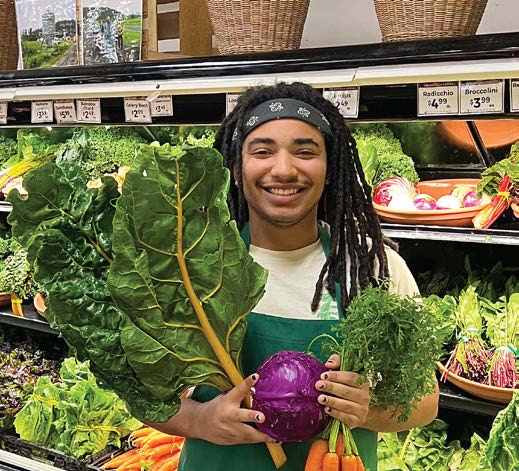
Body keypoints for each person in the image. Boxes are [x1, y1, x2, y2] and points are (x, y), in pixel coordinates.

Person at [151, 82, 439, 470]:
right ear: (236, 169)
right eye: (263, 151)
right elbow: (142, 394)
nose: (283, 169)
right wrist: (200, 420)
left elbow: (425, 402)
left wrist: (370, 410)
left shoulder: (375, 268)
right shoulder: (190, 270)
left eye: (305, 152)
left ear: (330, 167)